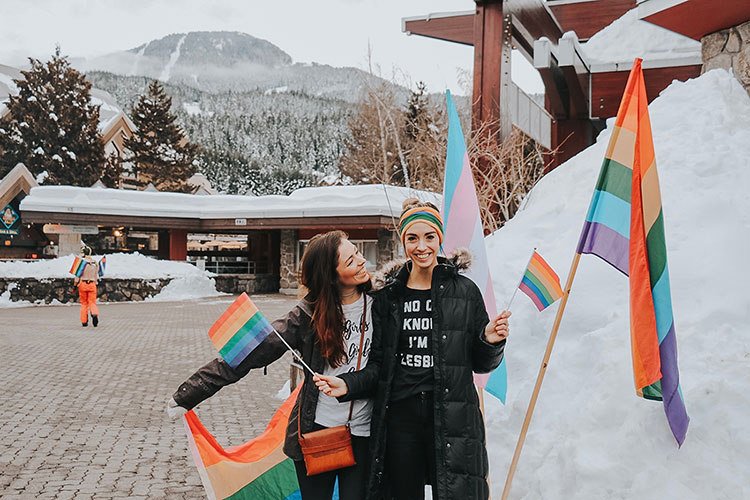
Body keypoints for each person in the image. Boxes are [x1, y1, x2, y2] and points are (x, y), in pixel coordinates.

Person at [314, 199, 510, 500]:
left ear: (439, 239)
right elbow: (379, 364)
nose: (422, 246)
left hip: (452, 414)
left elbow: (481, 364)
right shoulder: (388, 296)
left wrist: (490, 341)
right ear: (403, 240)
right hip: (400, 418)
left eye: (429, 237)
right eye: (412, 238)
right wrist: (347, 384)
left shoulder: (465, 291)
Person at [167, 230, 374, 500]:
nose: (362, 262)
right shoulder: (307, 314)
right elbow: (251, 352)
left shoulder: (380, 305)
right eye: (350, 261)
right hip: (316, 433)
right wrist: (190, 392)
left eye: (358, 253)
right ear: (331, 276)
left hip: (365, 432)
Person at [75, 245, 100, 327]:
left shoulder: (81, 263)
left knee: (84, 303)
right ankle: (94, 313)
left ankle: (84, 321)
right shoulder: (95, 263)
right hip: (92, 284)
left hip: (83, 284)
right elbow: (96, 276)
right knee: (92, 302)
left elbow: (77, 277)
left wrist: (75, 285)